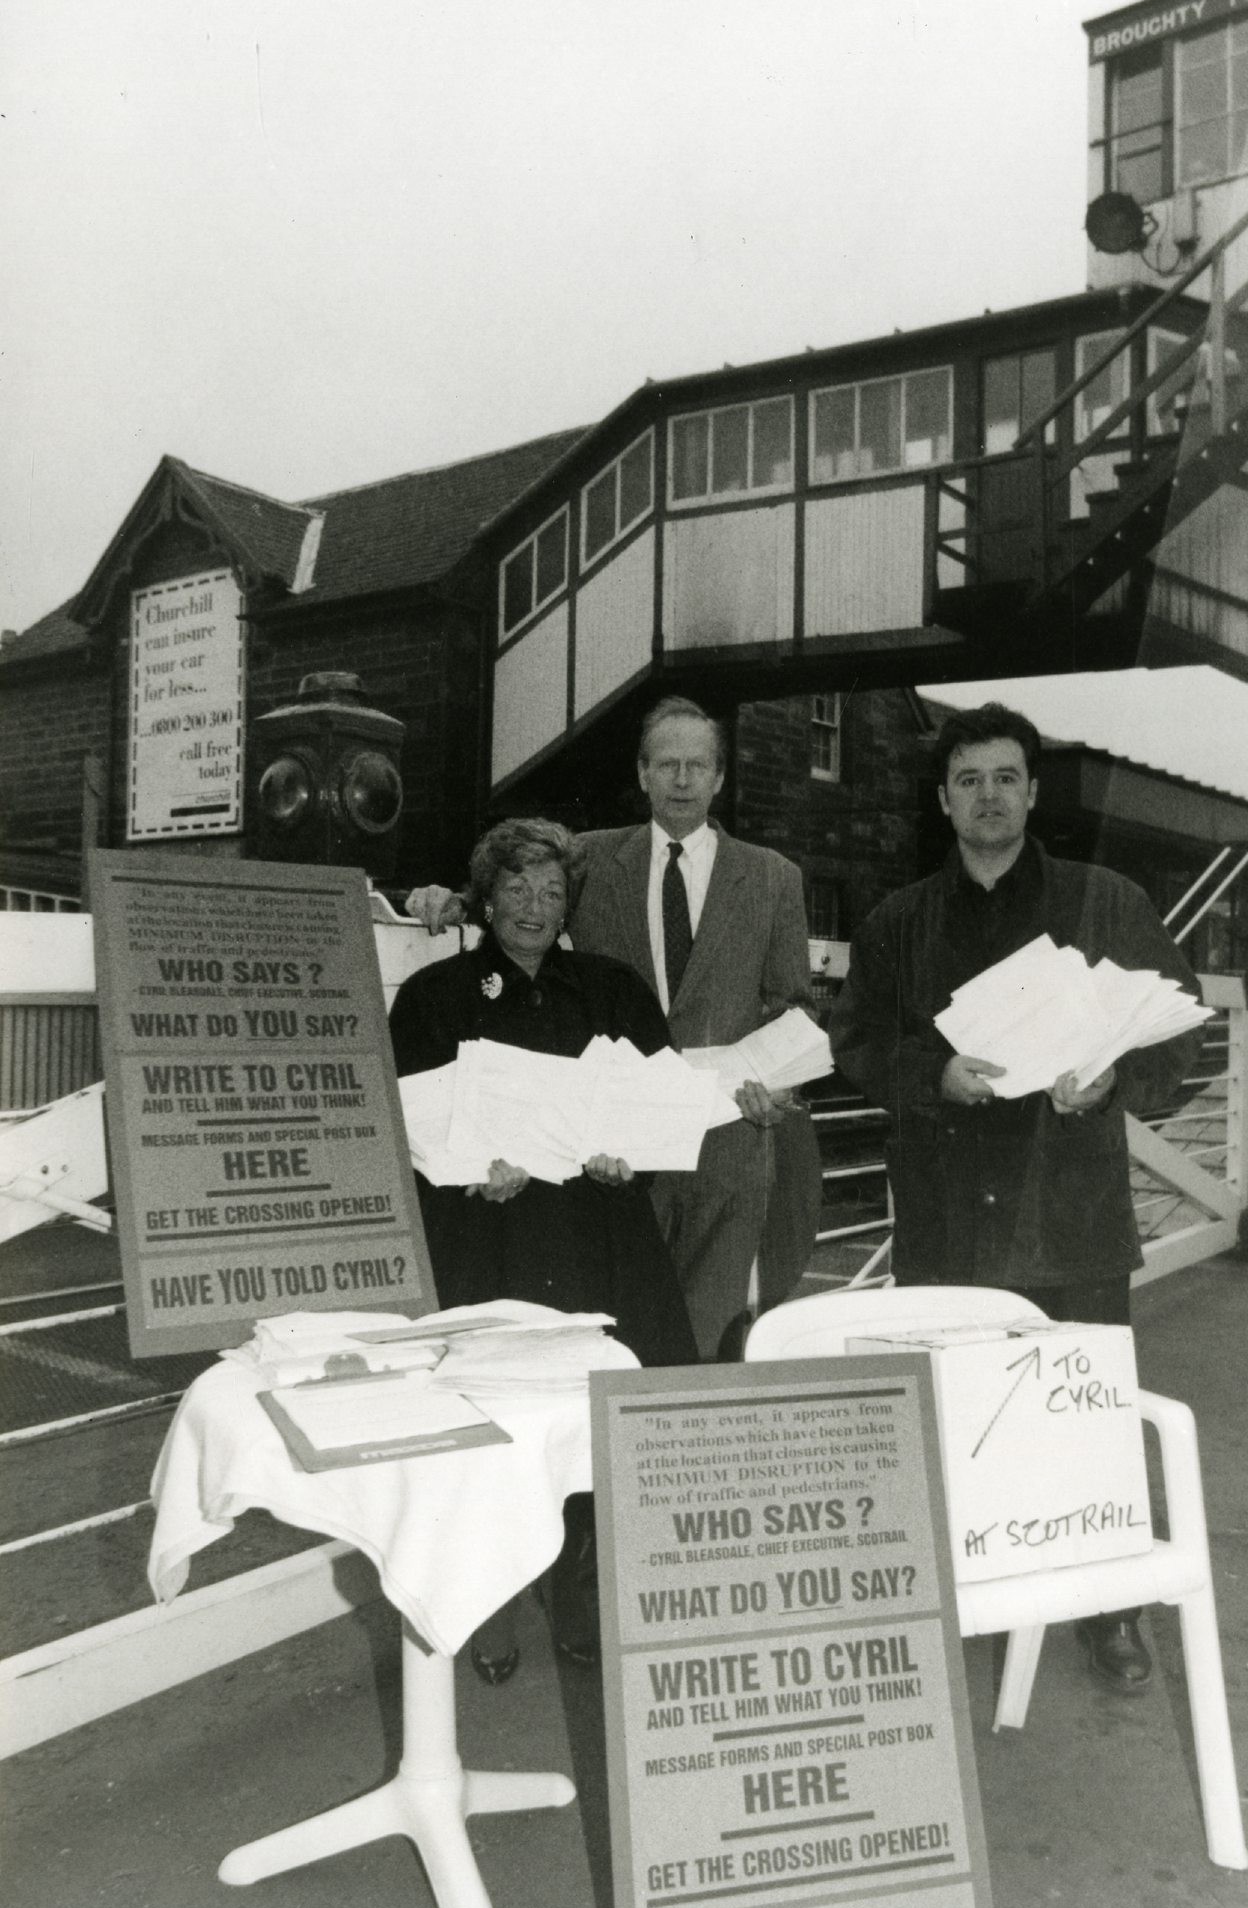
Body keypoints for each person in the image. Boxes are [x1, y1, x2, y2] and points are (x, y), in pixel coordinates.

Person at [829, 702, 1203, 1695]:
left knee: (1088, 1417)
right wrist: (930, 1072)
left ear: (1033, 791)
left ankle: (1110, 1608)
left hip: (1069, 1209)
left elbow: (1183, 1039)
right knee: (958, 1420)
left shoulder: (1107, 902)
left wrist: (1118, 1078)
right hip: (949, 1214)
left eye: (1005, 776)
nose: (987, 796)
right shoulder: (897, 920)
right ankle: (965, 1597)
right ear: (943, 800)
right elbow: (855, 1038)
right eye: (967, 780)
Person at [407, 697, 821, 1363]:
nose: (682, 779)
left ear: (720, 777)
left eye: (698, 765)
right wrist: (437, 899)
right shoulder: (591, 859)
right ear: (642, 773)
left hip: (727, 1147)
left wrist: (779, 1094)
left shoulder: (775, 878)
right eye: (667, 764)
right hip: (612, 1168)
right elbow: (511, 889)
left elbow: (792, 1014)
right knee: (624, 1338)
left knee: (709, 1353)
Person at [389, 816, 699, 1681]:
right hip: (489, 1239)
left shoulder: (612, 987)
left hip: (600, 1235)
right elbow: (406, 1126)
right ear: (486, 897)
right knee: (492, 1425)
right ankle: (485, 1598)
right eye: (516, 888)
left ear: (570, 901)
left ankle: (580, 1587)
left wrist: (627, 1156)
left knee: (602, 1422)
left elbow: (662, 1101)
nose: (533, 905)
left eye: (551, 889)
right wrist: (461, 1171)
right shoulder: (434, 997)